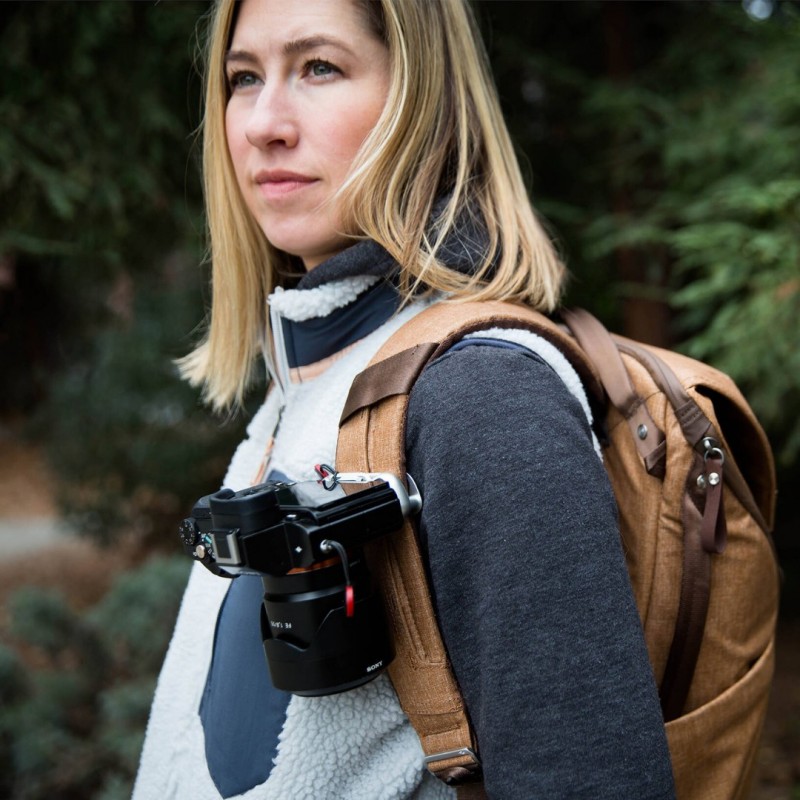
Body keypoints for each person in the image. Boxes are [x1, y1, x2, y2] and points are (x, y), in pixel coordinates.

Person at [133, 0, 676, 797]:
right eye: (243, 78)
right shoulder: (311, 376)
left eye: (319, 67)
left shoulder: (481, 393)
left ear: (427, 103)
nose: (263, 123)